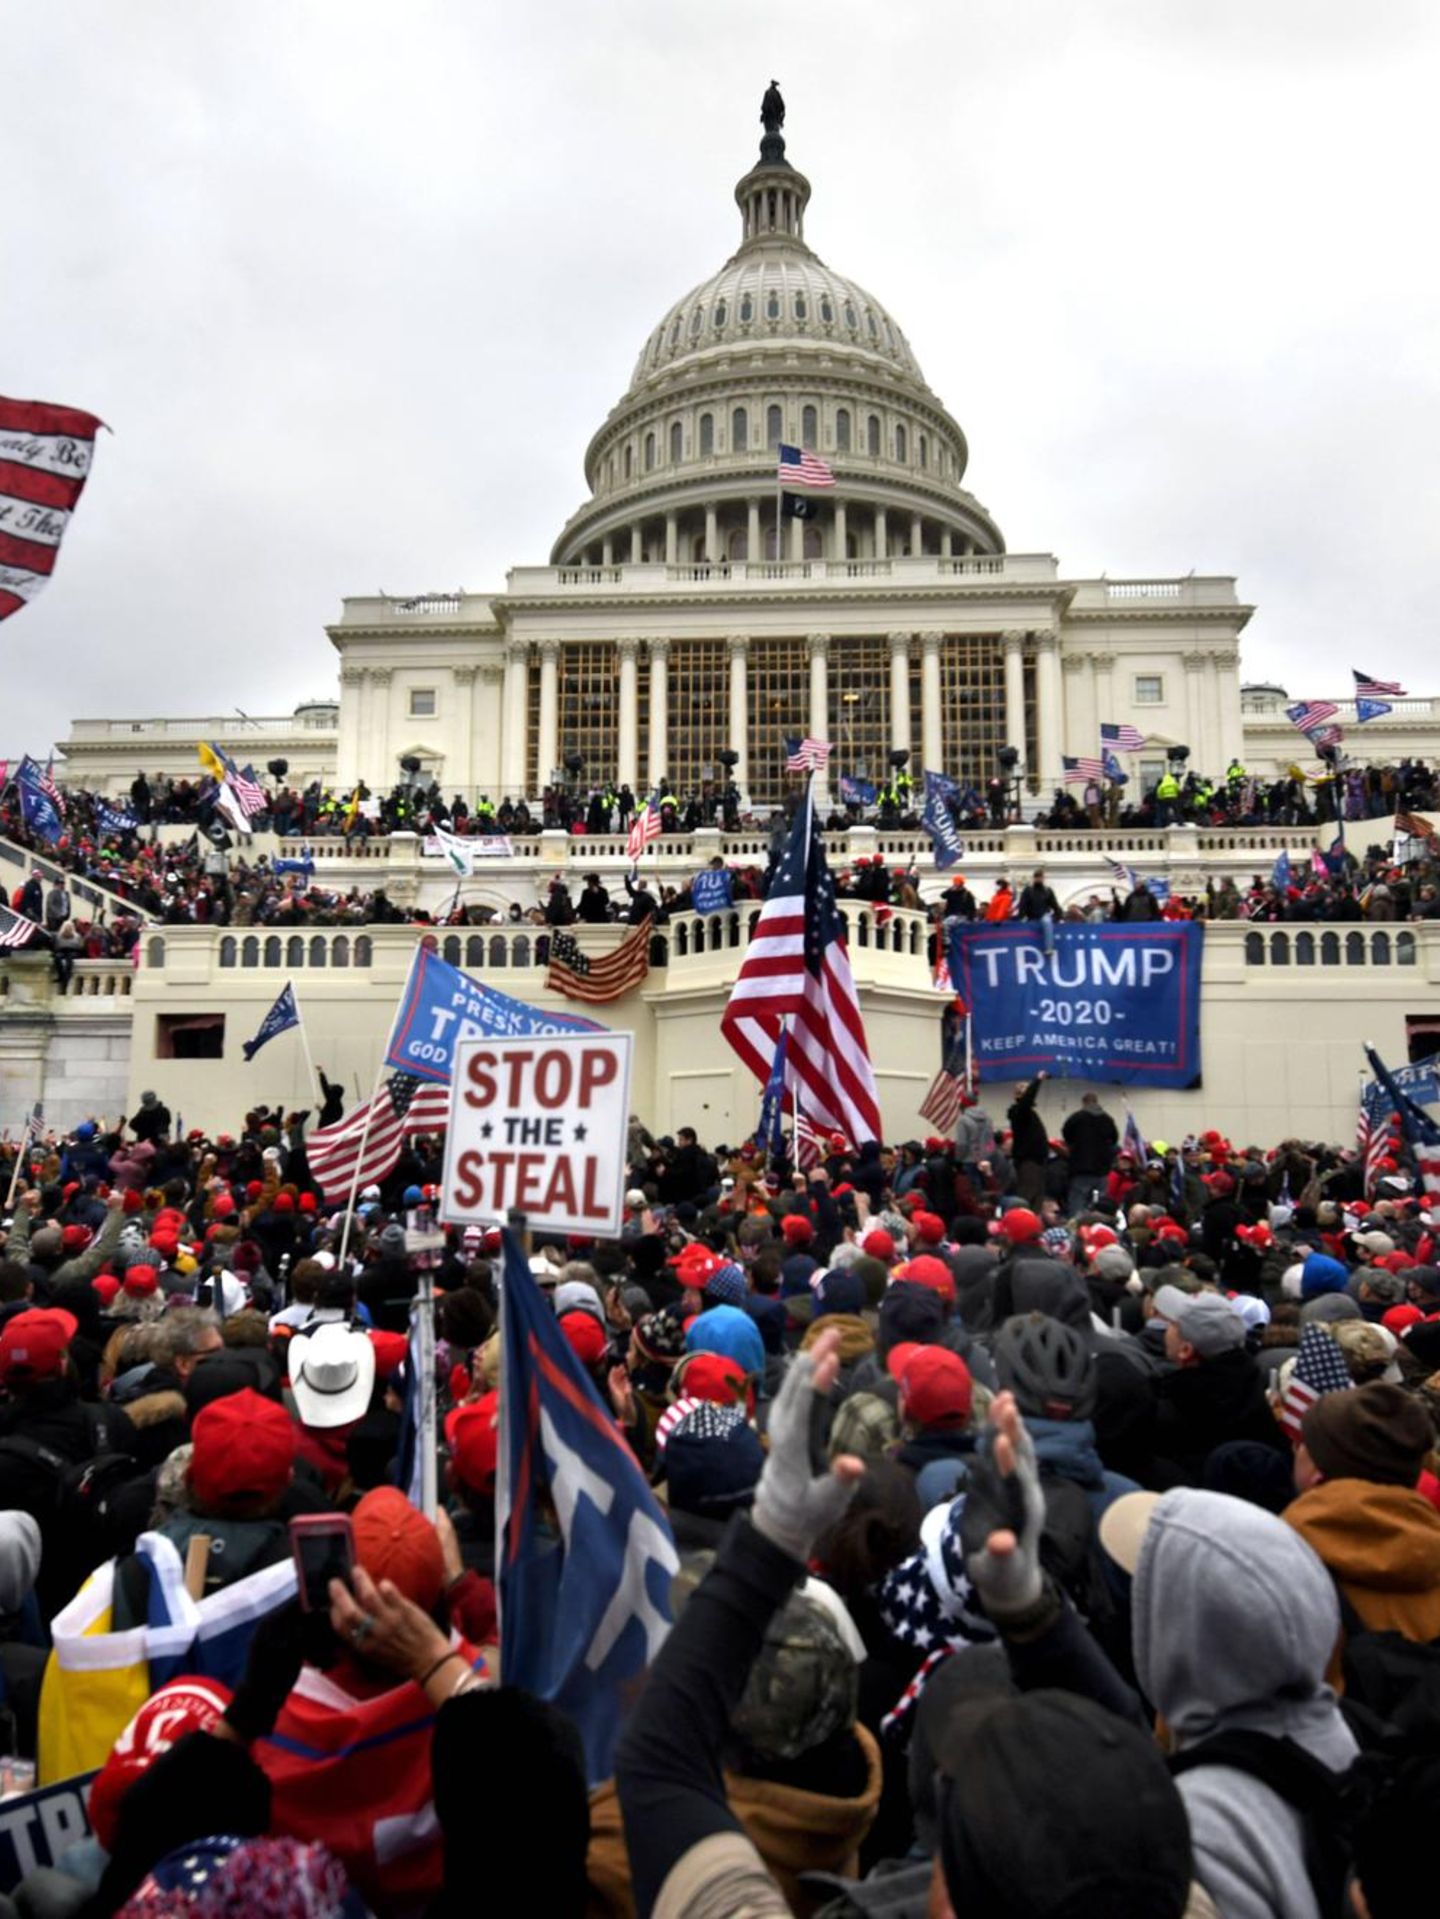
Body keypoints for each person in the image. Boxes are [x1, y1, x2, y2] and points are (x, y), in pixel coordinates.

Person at [1060, 1090, 1119, 1216]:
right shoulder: (1107, 1119)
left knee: (1077, 1203)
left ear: (1083, 1103)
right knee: (1100, 1204)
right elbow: (1114, 1139)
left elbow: (1066, 1134)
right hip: (1102, 1171)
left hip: (1081, 1169)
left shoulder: (1076, 1117)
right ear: (1097, 1102)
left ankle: (1076, 1230)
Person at [1007, 1073, 1049, 1207]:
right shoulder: (1020, 1113)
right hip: (1028, 1161)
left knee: (1037, 1197)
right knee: (1027, 1196)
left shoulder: (1027, 1114)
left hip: (1036, 1161)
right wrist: (1037, 1081)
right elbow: (1027, 1100)